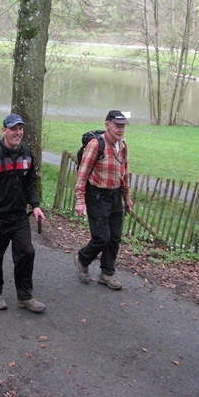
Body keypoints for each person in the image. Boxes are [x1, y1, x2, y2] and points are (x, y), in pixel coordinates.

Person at [0, 113, 46, 313]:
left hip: (19, 216)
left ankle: (25, 297)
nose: (18, 132)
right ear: (4, 130)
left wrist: (36, 205)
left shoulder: (26, 153)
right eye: (14, 128)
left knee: (27, 252)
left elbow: (30, 182)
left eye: (20, 128)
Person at [73, 110, 133, 291]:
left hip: (115, 196)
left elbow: (125, 173)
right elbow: (82, 174)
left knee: (115, 237)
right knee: (102, 237)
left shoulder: (122, 145)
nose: (121, 129)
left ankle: (107, 274)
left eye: (123, 126)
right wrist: (80, 200)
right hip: (97, 196)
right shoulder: (95, 145)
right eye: (117, 125)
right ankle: (82, 259)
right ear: (107, 125)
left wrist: (127, 197)